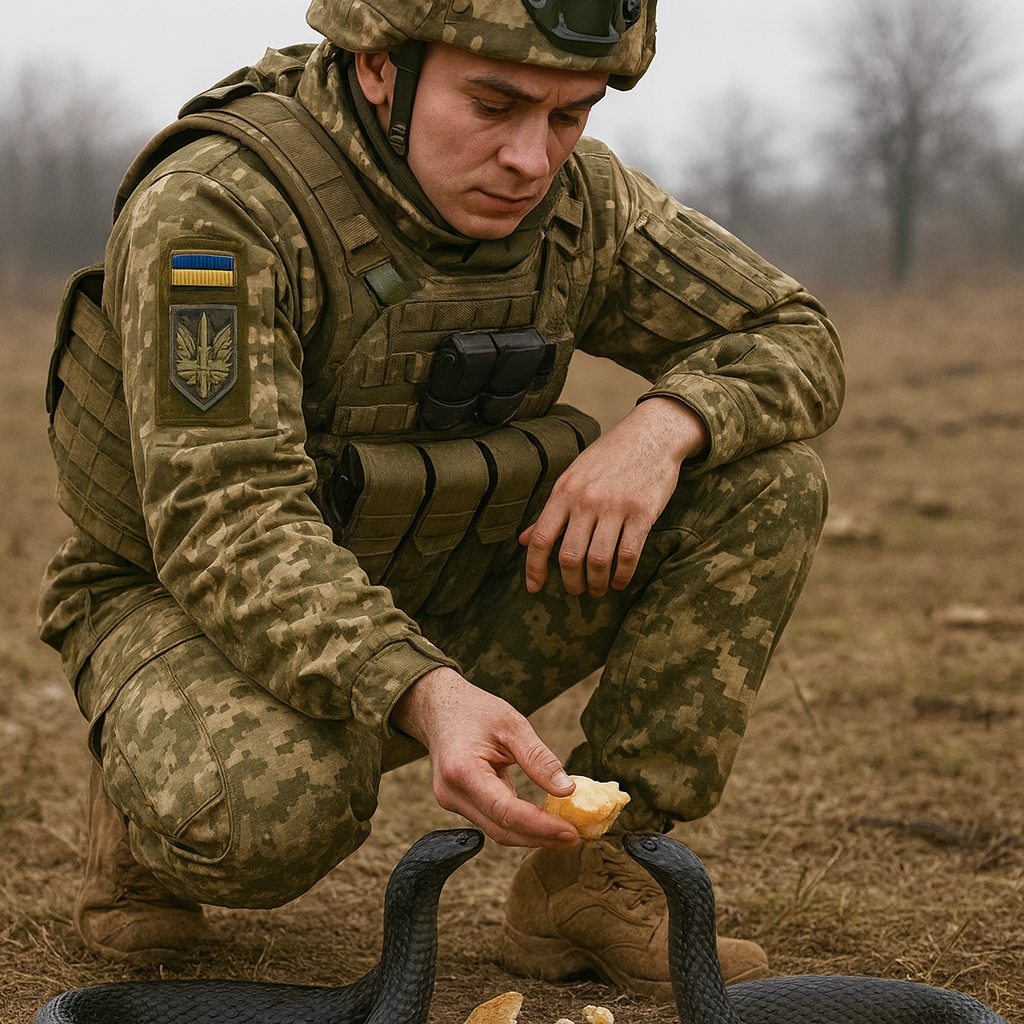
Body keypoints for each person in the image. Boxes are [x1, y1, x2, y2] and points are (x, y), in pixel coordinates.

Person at [39, 0, 844, 1004]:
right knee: (266, 811)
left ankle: (593, 865)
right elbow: (224, 520)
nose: (530, 158)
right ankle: (144, 808)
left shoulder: (580, 203)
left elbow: (793, 331)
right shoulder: (224, 206)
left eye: (569, 115)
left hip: (445, 567)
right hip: (195, 607)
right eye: (496, 105)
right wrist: (422, 689)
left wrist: (669, 421)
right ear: (380, 66)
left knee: (763, 481)